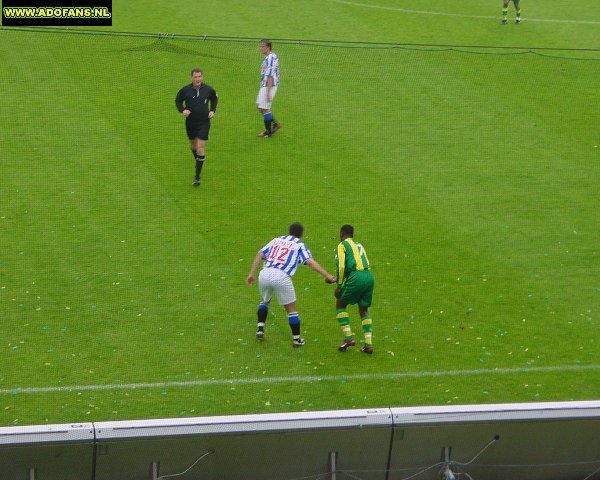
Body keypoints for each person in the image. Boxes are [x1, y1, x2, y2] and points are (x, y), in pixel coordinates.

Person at [246, 222, 336, 347]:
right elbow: (310, 263)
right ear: (301, 234)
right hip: (281, 276)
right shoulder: (299, 244)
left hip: (265, 273)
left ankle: (260, 328)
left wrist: (251, 274)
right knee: (291, 309)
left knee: (265, 300)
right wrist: (327, 275)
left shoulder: (276, 240)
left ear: (289, 231)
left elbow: (260, 254)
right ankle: (296, 339)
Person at [334, 225, 375, 354]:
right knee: (363, 309)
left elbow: (341, 267)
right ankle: (368, 344)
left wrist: (339, 285)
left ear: (342, 233)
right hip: (369, 276)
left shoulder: (342, 245)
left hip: (356, 276)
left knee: (340, 304)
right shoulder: (359, 245)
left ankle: (349, 338)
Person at [175, 68, 218, 186]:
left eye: (199, 77)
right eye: (195, 77)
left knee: (200, 147)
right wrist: (183, 110)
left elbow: (214, 98)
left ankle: (197, 177)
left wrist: (212, 110)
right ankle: (198, 161)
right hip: (191, 123)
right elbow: (178, 101)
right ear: (191, 78)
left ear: (202, 77)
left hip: (204, 122)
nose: (197, 79)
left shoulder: (208, 89)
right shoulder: (185, 90)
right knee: (193, 145)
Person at [256, 39, 281, 138]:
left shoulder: (270, 58)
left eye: (262, 46)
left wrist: (268, 92)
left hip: (269, 85)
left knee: (265, 108)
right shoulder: (270, 57)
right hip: (265, 85)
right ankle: (275, 124)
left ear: (268, 47)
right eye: (260, 46)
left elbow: (270, 75)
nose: (260, 48)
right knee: (259, 106)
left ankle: (268, 132)